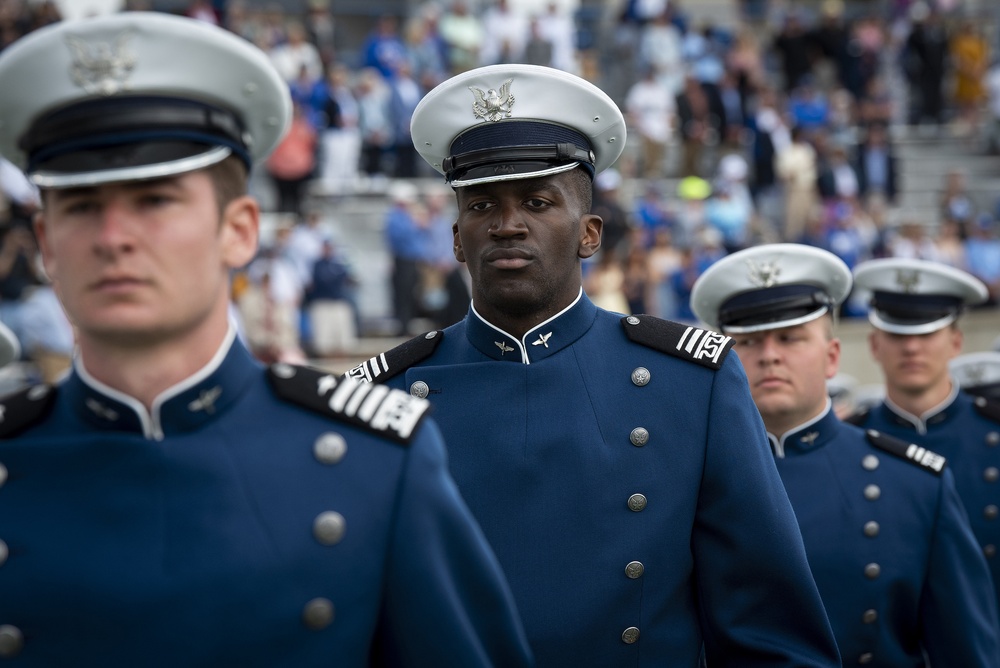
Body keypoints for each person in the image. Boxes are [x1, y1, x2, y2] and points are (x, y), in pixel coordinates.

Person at [0, 13, 532, 666]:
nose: (114, 237)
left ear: (240, 231)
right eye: (81, 207)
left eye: (155, 200)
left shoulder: (376, 460)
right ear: (47, 244)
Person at [348, 63, 841, 666]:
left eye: (536, 201)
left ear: (589, 233)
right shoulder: (383, 397)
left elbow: (772, 636)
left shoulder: (691, 384)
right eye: (481, 206)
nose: (507, 225)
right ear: (455, 239)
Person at [690, 243, 1000, 666]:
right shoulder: (689, 482)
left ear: (832, 357)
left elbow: (964, 651)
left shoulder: (916, 484)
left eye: (790, 337)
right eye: (747, 341)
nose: (770, 355)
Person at [847, 257, 1000, 612]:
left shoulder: (993, 430)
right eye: (897, 334)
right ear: (873, 345)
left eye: (926, 333)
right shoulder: (850, 440)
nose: (912, 348)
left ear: (956, 342)